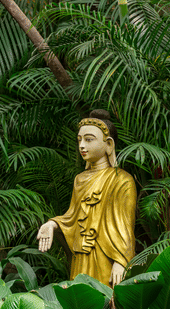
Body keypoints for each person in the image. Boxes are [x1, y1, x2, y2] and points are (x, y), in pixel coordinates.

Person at [36, 110, 137, 286]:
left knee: (105, 297)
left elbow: (125, 225)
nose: (82, 145)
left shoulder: (121, 180)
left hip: (107, 255)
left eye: (89, 140)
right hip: (82, 254)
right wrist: (51, 225)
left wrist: (121, 261)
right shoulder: (80, 179)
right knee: (81, 296)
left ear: (109, 144)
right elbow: (72, 218)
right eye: (79, 140)